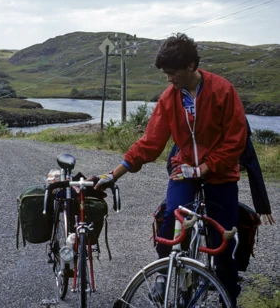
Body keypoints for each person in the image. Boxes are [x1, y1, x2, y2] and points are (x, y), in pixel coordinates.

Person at [94, 32, 266, 307]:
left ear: (190, 66)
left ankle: (229, 295)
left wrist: (205, 169)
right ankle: (164, 273)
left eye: (172, 73)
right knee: (170, 219)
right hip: (183, 168)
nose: (168, 79)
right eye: (165, 74)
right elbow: (151, 142)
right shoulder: (169, 97)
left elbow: (236, 139)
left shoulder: (223, 91)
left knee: (224, 239)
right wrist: (114, 174)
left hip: (219, 174)